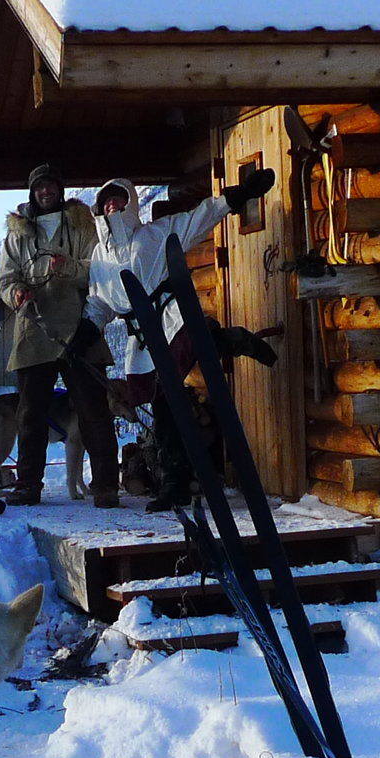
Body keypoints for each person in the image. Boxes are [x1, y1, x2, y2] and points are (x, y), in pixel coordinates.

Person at [88, 169, 277, 510]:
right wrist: (85, 329)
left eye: (118, 199)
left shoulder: (156, 233)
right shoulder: (99, 258)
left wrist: (237, 196)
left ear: (130, 204)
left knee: (199, 340)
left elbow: (198, 218)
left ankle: (233, 340)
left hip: (172, 316)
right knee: (165, 408)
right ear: (100, 210)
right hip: (142, 339)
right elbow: (99, 302)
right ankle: (174, 484)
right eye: (106, 201)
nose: (112, 205)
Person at [0, 163, 118, 507]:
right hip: (34, 331)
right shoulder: (17, 234)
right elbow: (5, 280)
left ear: (60, 190)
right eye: (39, 188)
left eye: (50, 186)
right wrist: (17, 294)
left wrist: (68, 268)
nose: (45, 192)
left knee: (94, 410)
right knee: (30, 414)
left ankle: (106, 485)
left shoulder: (83, 226)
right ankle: (28, 486)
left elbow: (100, 269)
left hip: (81, 328)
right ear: (32, 193)